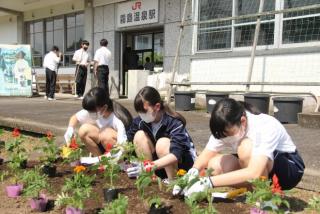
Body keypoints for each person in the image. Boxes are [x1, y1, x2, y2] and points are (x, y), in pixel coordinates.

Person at [177, 98, 305, 197]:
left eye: (228, 134)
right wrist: (192, 173)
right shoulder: (226, 124)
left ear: (243, 121)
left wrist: (208, 182)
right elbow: (207, 152)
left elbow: (254, 173)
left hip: (289, 168)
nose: (226, 138)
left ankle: (265, 200)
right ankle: (253, 193)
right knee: (214, 164)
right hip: (262, 165)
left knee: (245, 148)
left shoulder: (263, 126)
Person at [126, 86, 196, 180]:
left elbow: (176, 154)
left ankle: (173, 183)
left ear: (157, 107)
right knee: (139, 136)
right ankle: (150, 178)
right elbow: (127, 142)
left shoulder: (174, 122)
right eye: (139, 112)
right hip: (158, 166)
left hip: (181, 167)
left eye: (145, 111)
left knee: (162, 143)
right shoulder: (141, 121)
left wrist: (148, 166)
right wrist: (111, 156)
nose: (142, 115)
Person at [64, 87, 132, 157]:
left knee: (105, 133)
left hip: (121, 149)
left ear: (104, 107)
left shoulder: (118, 118)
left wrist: (115, 155)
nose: (89, 114)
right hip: (103, 144)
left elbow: (124, 145)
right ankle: (99, 159)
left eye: (92, 112)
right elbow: (75, 118)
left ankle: (112, 161)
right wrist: (70, 129)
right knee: (84, 130)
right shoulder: (96, 109)